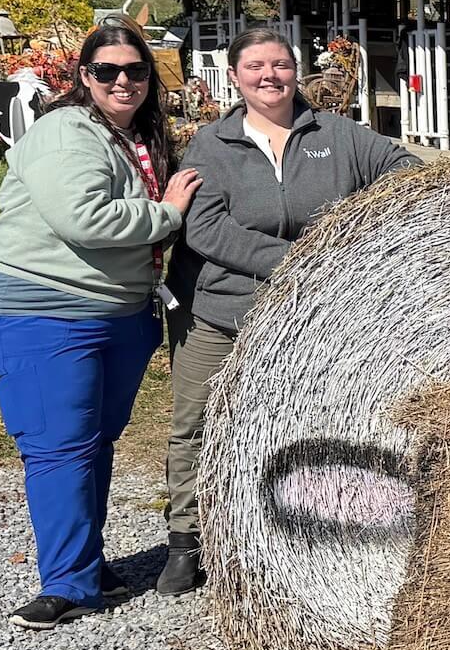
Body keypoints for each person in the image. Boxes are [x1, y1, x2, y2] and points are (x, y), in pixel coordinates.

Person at [159, 29, 420, 595]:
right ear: (234, 76)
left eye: (280, 64)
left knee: (309, 422)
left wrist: (365, 227)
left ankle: (299, 533)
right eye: (255, 66)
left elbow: (404, 169)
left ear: (295, 72)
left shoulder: (337, 135)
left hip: (307, 315)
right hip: (220, 308)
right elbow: (206, 229)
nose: (269, 76)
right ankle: (186, 538)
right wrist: (308, 259)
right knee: (197, 421)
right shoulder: (212, 142)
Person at [0, 21, 201, 631]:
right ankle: (67, 581)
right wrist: (167, 213)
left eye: (137, 70)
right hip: (40, 309)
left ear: (152, 77)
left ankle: (86, 566)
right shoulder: (66, 131)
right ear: (84, 78)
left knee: (93, 443)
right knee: (60, 447)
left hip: (118, 312)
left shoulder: (134, 136)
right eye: (107, 71)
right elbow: (84, 220)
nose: (124, 81)